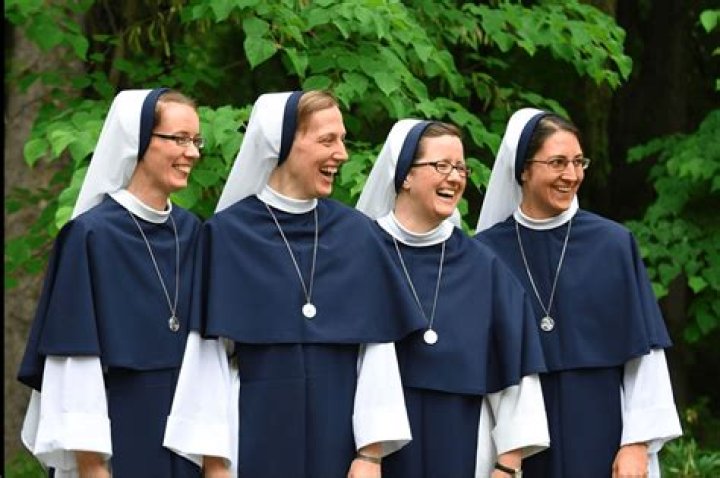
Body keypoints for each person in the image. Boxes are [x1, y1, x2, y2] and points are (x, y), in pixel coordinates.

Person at [163, 91, 424, 478]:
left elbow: (377, 350)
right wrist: (215, 463)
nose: (341, 154)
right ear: (283, 143)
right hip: (253, 432)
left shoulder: (358, 234)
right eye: (327, 140)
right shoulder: (228, 235)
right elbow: (208, 357)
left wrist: (370, 455)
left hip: (340, 439)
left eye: (342, 140)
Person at [474, 108, 683, 477]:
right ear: (523, 170)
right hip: (519, 441)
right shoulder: (486, 253)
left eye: (578, 162)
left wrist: (637, 444)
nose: (571, 175)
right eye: (557, 162)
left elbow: (645, 352)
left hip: (602, 425)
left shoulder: (613, 244)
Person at [17, 88, 204, 477]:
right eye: (179, 139)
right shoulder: (90, 235)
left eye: (195, 140)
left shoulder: (193, 232)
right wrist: (91, 465)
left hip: (189, 438)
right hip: (119, 433)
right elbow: (75, 356)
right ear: (138, 141)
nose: (192, 153)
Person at [356, 119, 549, 478]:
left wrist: (508, 465)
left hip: (463, 434)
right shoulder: (359, 252)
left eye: (461, 168)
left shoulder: (484, 266)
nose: (455, 178)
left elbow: (516, 366)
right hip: (367, 448)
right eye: (441, 165)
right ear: (405, 176)